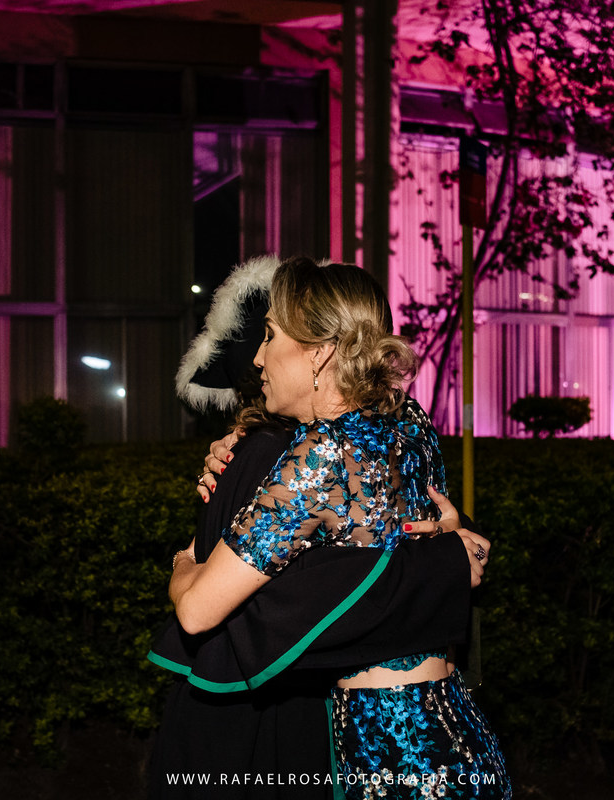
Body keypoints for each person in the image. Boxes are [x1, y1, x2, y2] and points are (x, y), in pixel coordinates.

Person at [161, 257, 510, 799]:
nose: (257, 357)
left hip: (385, 746)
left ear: (319, 352)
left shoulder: (320, 455)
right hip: (458, 727)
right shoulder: (411, 422)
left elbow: (196, 610)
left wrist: (184, 564)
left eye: (270, 336)